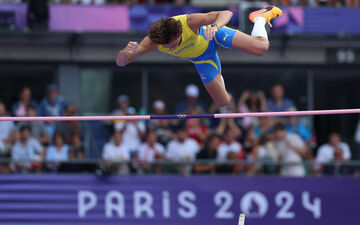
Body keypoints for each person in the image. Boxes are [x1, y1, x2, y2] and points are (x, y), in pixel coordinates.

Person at [116, 7, 282, 106]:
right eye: (169, 47)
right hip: (202, 58)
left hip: (213, 34)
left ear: (179, 32)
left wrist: (216, 27)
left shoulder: (188, 22)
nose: (173, 48)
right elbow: (121, 63)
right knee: (223, 102)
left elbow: (226, 13)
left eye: (174, 43)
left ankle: (260, 18)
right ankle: (217, 74)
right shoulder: (153, 41)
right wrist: (125, 53)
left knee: (261, 47)